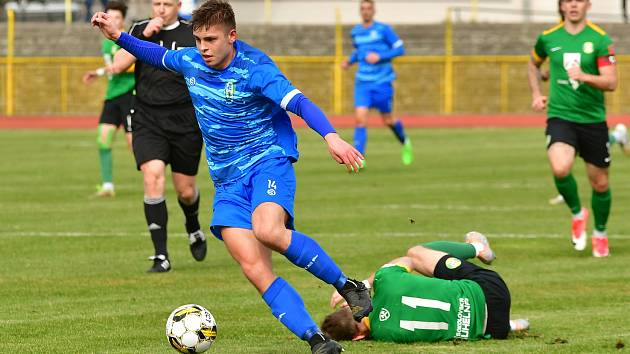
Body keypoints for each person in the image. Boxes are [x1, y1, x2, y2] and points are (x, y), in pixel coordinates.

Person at [92, 1, 371, 353]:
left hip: (267, 161)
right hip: (227, 182)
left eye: (210, 39)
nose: (203, 47)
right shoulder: (191, 61)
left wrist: (331, 136)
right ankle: (317, 341)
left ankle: (349, 286)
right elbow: (151, 52)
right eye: (198, 39)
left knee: (268, 231)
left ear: (232, 36)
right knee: (254, 269)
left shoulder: (256, 68)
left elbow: (299, 103)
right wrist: (117, 35)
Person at [105, 0, 207, 272]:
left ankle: (193, 224)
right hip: (148, 118)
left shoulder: (190, 33)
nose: (161, 9)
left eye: (167, 4)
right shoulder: (139, 28)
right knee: (152, 178)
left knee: (185, 191)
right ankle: (161, 255)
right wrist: (144, 36)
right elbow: (117, 65)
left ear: (178, 5)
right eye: (157, 3)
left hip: (185, 120)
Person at [527, 0, 617, 257]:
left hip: (593, 120)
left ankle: (600, 232)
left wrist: (585, 76)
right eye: (568, 1)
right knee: (559, 167)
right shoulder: (548, 38)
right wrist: (536, 93)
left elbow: (611, 82)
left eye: (578, 0)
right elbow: (533, 64)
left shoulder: (600, 39)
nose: (573, 5)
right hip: (560, 116)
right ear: (562, 7)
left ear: (587, 5)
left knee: (599, 183)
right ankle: (578, 214)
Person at [322, 232, 529, 343]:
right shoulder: (386, 282)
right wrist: (363, 285)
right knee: (415, 252)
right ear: (347, 307)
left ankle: (508, 324)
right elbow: (408, 260)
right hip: (491, 289)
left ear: (358, 337)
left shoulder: (386, 335)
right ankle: (477, 248)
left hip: (494, 329)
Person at [342, 0, 412, 166]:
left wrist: (381, 56)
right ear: (360, 11)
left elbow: (400, 49)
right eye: (363, 9)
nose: (366, 11)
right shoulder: (356, 32)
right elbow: (358, 52)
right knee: (360, 119)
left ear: (374, 11)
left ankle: (405, 142)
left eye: (368, 8)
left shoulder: (383, 30)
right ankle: (359, 158)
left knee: (388, 120)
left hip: (382, 82)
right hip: (363, 83)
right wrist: (349, 62)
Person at [83, 1, 135, 198]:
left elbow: (131, 64)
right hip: (112, 96)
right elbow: (112, 66)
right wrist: (97, 72)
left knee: (134, 146)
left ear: (122, 21)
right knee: (103, 140)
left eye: (116, 18)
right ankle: (107, 186)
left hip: (130, 96)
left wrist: (120, 67)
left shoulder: (129, 40)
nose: (112, 20)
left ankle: (157, 168)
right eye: (109, 16)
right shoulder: (106, 43)